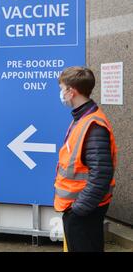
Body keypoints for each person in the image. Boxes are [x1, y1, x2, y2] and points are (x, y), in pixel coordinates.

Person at [54, 66, 117, 252]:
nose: (61, 93)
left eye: (62, 88)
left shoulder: (93, 125)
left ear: (71, 92)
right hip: (80, 208)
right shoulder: (82, 119)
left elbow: (101, 175)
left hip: (83, 211)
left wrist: (78, 210)